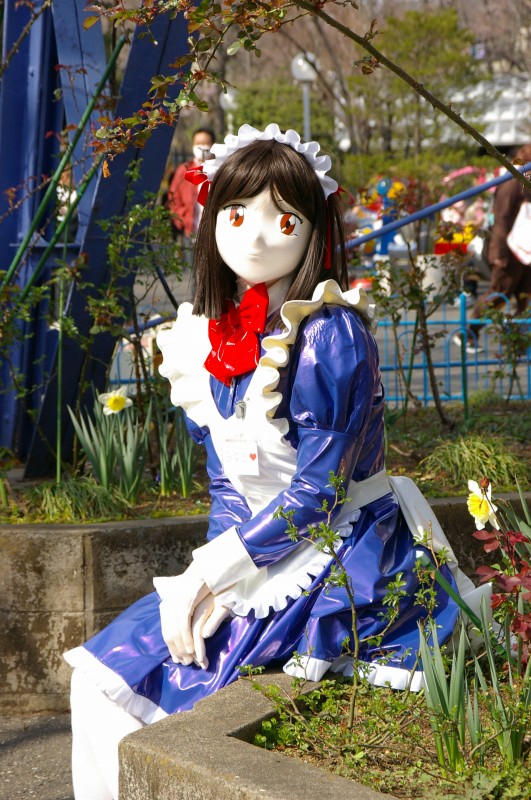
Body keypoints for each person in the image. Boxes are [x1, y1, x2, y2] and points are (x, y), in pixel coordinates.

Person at [65, 124, 483, 800]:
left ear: (312, 230)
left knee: (145, 687)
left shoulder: (327, 334)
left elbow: (319, 493)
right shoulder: (206, 331)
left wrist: (212, 573)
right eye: (235, 214)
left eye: (282, 219)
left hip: (341, 553)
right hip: (260, 547)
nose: (254, 238)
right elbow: (228, 481)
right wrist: (210, 578)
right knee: (99, 678)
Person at [453, 144, 531, 354]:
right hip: (508, 250)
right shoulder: (512, 183)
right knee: (499, 292)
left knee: (524, 296)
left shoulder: (522, 183)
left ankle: (518, 340)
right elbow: (502, 220)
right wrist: (500, 254)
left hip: (523, 251)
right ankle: (468, 333)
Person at [166, 127, 215, 264]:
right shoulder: (186, 170)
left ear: (213, 145)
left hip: (214, 233)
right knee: (192, 271)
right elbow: (173, 198)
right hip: (191, 231)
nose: (202, 147)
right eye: (198, 143)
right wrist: (182, 218)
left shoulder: (220, 169)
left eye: (205, 143)